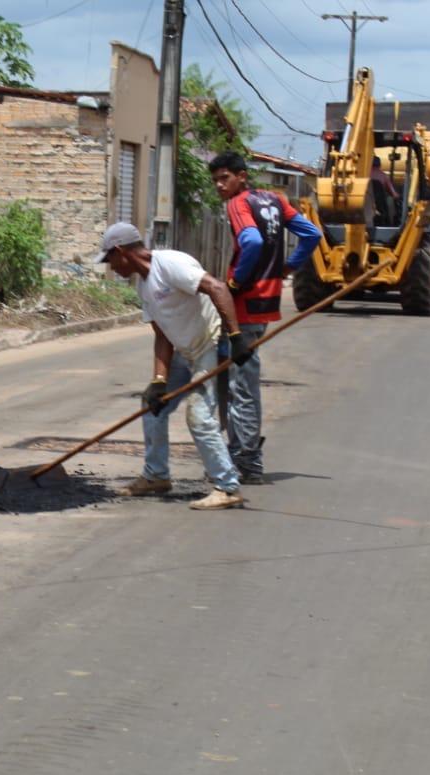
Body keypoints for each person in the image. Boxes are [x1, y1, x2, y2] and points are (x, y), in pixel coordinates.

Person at [98, 222, 252, 510]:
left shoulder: (170, 264)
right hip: (184, 351)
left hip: (210, 344)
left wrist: (236, 337)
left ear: (121, 252)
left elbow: (217, 287)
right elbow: (162, 335)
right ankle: (156, 475)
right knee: (152, 405)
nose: (110, 266)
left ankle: (227, 486)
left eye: (109, 259)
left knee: (199, 416)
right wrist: (159, 380)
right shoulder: (144, 285)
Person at [209, 151, 322, 484]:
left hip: (243, 304)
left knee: (241, 385)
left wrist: (235, 281)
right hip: (266, 301)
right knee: (233, 379)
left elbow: (253, 241)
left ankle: (247, 462)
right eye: (215, 179)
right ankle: (238, 454)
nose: (219, 185)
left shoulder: (239, 204)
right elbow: (312, 235)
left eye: (224, 178)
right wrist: (289, 266)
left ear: (242, 176)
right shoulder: (275, 200)